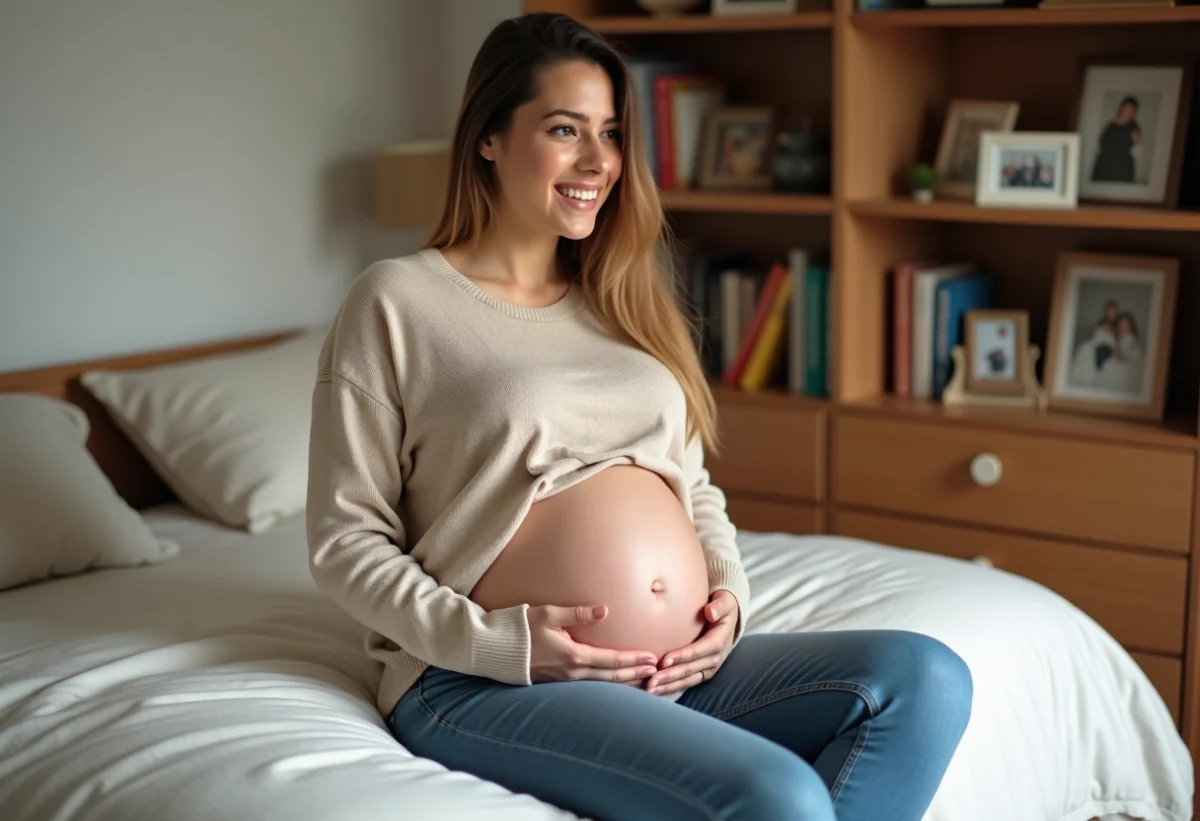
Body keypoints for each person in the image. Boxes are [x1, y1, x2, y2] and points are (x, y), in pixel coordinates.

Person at [305, 11, 972, 821]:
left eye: (613, 133)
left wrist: (727, 597)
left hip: (682, 673)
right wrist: (496, 643)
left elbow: (694, 492)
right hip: (484, 681)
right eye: (565, 129)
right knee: (780, 794)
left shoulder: (623, 302)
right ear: (488, 137)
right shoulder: (398, 300)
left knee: (926, 682)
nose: (599, 161)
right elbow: (346, 542)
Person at [1091, 96, 1141, 184]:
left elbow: (1137, 145)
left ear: (1134, 113)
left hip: (1121, 169)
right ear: (1121, 108)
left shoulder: (1133, 127)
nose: (1127, 111)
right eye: (1126, 108)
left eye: (1131, 110)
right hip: (1104, 165)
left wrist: (1137, 140)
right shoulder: (1110, 126)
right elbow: (1101, 143)